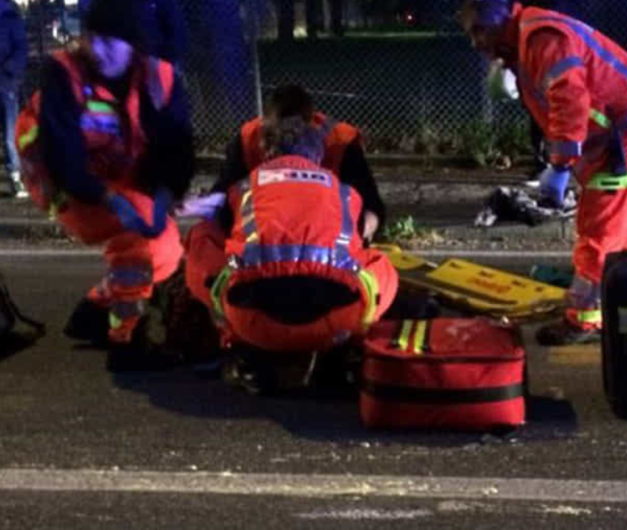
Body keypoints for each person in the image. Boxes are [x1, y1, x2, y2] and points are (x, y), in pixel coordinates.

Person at [458, 0, 627, 345]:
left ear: (501, 18)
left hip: (624, 128)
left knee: (602, 222)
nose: (475, 42)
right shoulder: (527, 38)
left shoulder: (542, 40)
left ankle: (585, 318)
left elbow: (569, 101)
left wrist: (558, 167)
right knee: (614, 212)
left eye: (479, 30)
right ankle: (615, 292)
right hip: (621, 124)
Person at [15, 0, 194, 367]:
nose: (100, 51)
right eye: (95, 40)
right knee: (143, 243)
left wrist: (164, 195)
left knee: (168, 251)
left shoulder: (160, 80)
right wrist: (111, 200)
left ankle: (94, 311)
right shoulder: (64, 73)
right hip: (67, 184)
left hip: (122, 180)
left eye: (112, 43)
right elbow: (62, 154)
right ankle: (126, 340)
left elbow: (176, 149)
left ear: (135, 46)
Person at [182, 116, 397, 393]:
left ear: (269, 152)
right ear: (318, 156)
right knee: (381, 264)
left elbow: (221, 230)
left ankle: (235, 344)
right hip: (336, 320)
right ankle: (350, 348)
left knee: (201, 236)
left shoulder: (244, 187)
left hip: (252, 320)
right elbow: (359, 241)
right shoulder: (345, 192)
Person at [213, 84, 386, 243]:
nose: (290, 136)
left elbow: (372, 206)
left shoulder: (341, 142)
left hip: (265, 248)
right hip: (326, 250)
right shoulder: (247, 140)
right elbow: (221, 200)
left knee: (205, 235)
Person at [0, 0, 26, 198]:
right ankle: (15, 177)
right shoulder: (11, 17)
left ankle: (15, 176)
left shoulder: (10, 18)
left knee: (10, 134)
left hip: (6, 82)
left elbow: (20, 49)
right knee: (10, 133)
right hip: (7, 81)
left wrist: (9, 71)